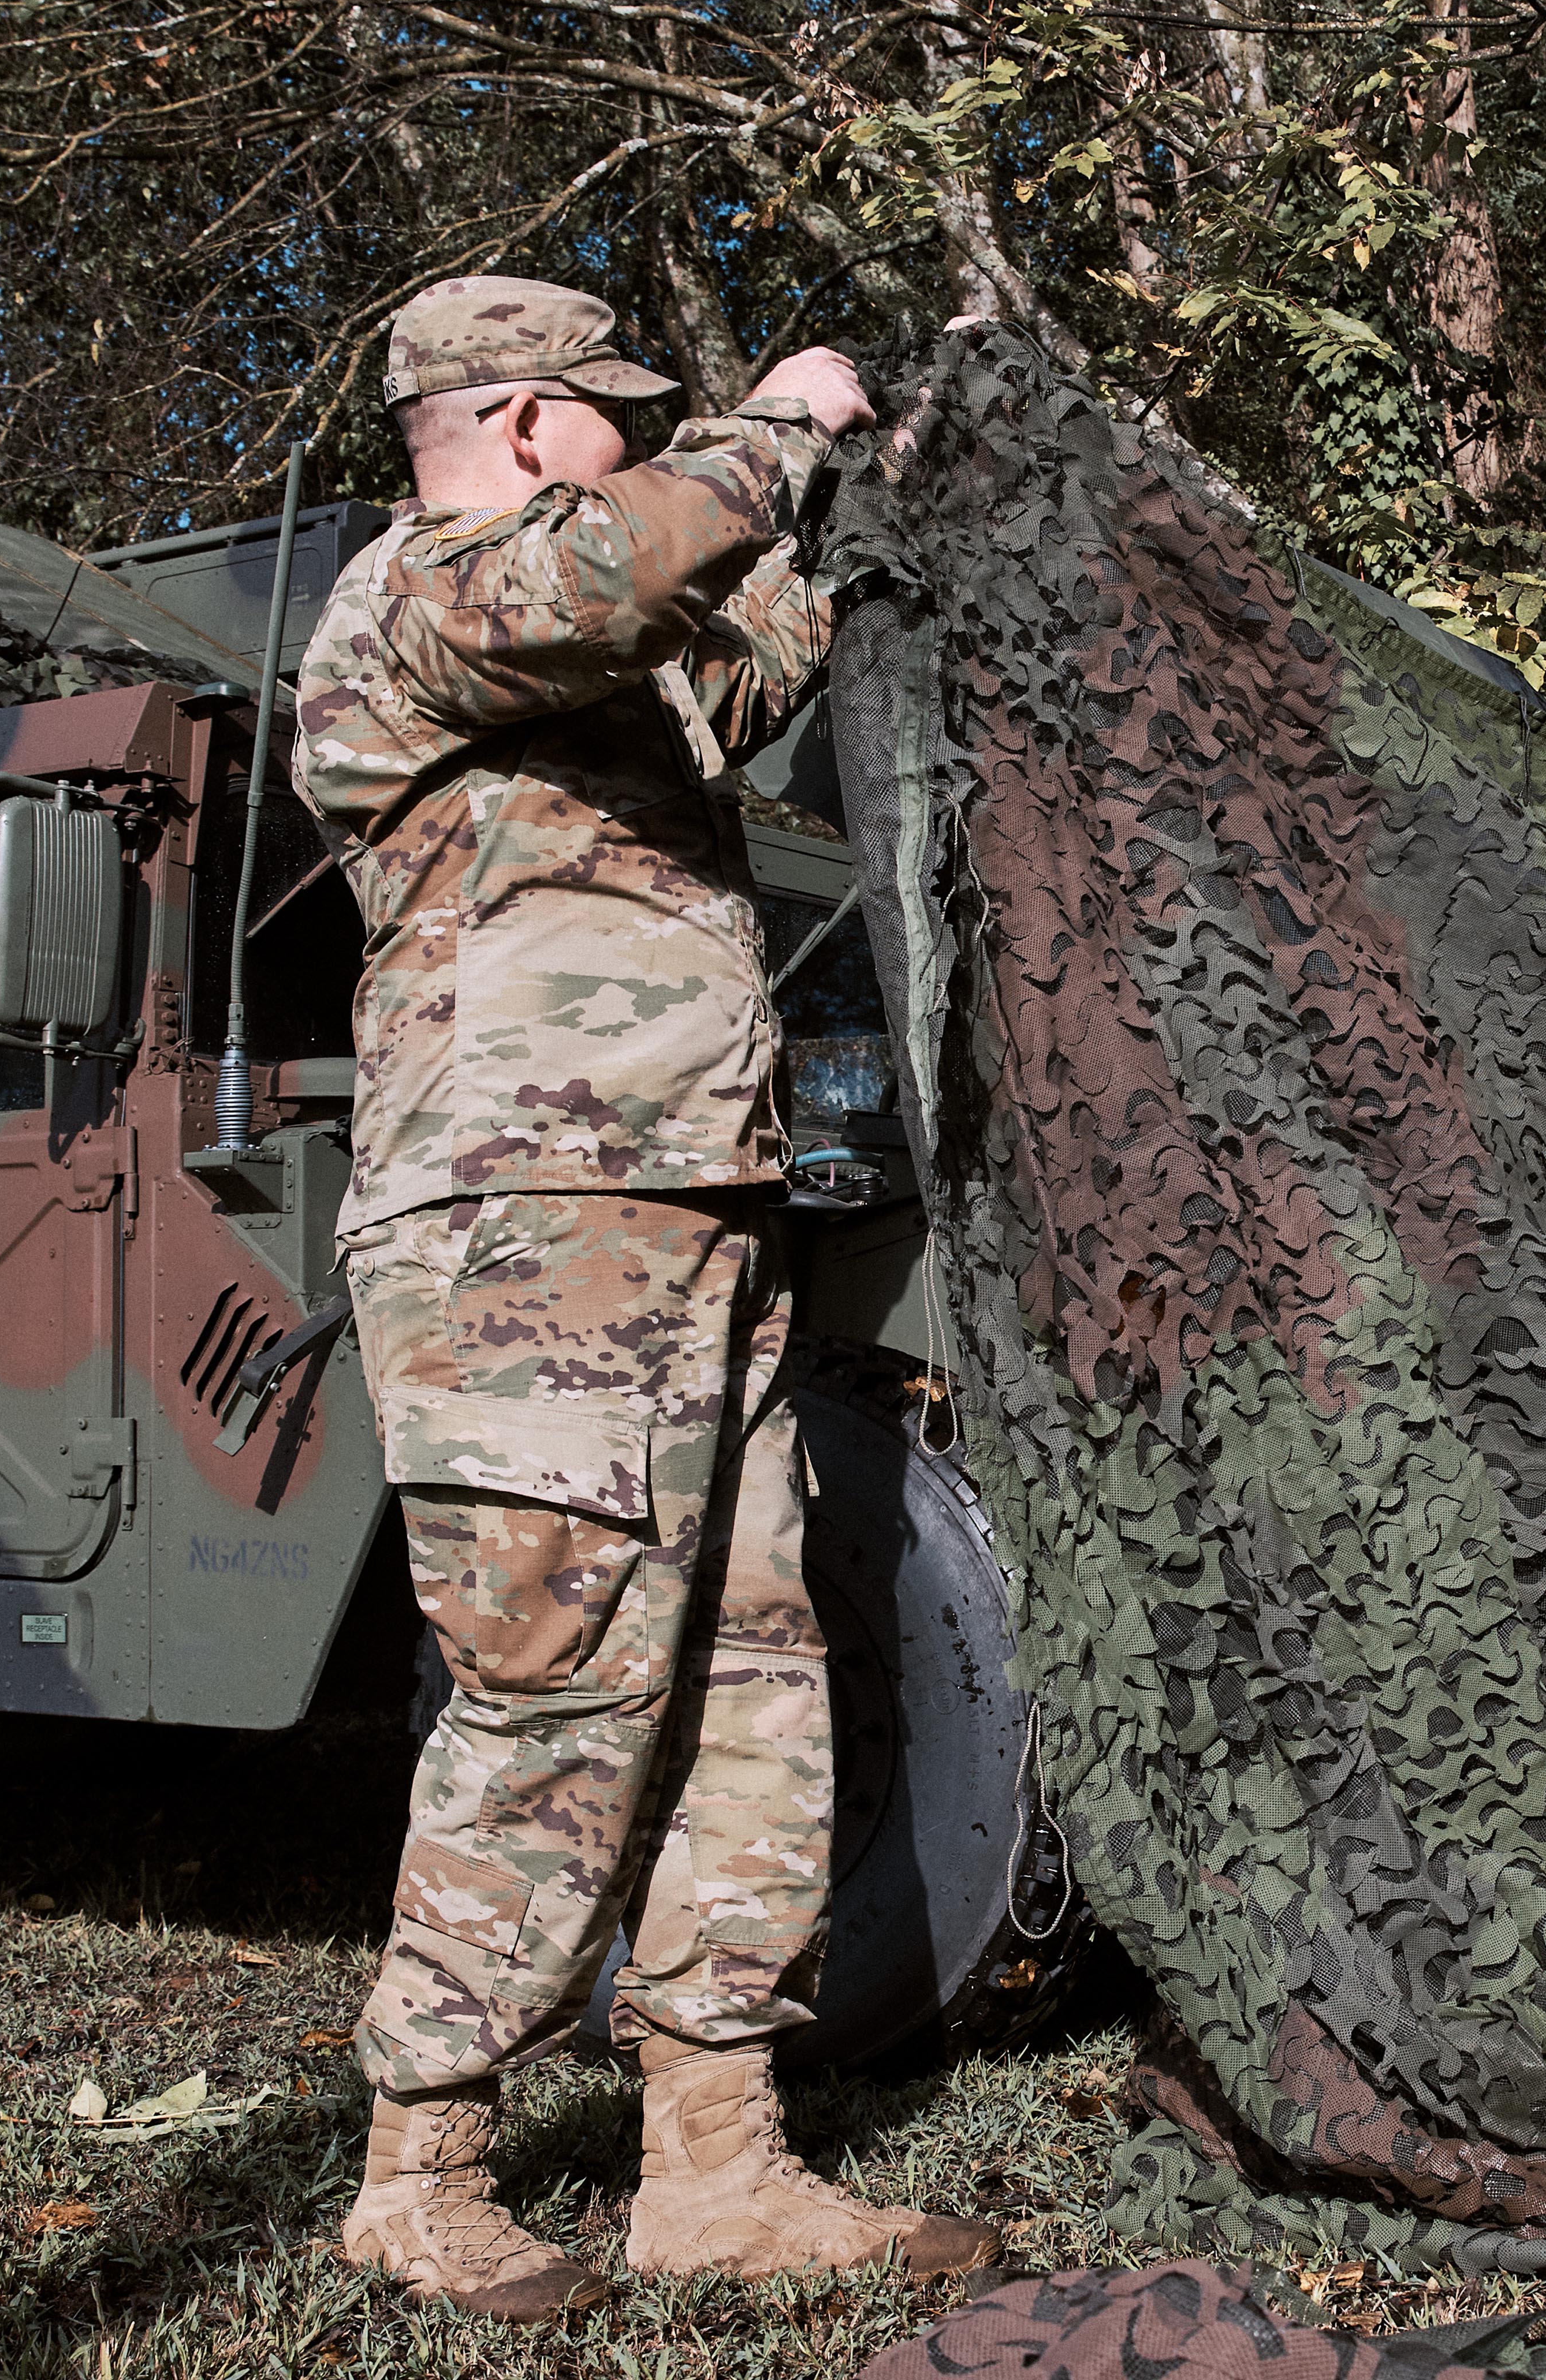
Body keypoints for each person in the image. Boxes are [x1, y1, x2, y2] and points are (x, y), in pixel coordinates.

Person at [295, 276, 999, 2321]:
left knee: (753, 1685)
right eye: (612, 415)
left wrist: (872, 484)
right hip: (524, 1236)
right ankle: (423, 2170)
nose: (634, 441)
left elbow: (752, 636)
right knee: (557, 1680)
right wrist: (769, 425)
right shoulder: (415, 610)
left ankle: (717, 2162)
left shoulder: (600, 660)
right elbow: (630, 565)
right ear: (520, 426)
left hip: (696, 1216)